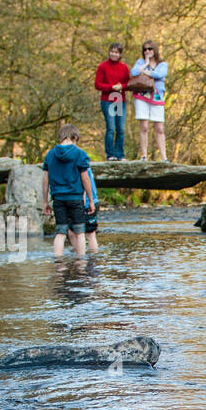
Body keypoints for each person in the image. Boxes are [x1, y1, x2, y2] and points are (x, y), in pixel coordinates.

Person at [41, 124, 95, 259]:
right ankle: (81, 262)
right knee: (80, 232)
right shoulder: (80, 154)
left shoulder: (50, 155)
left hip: (58, 198)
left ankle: (58, 262)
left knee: (60, 233)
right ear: (75, 137)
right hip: (75, 198)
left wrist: (45, 202)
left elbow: (45, 180)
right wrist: (91, 200)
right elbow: (85, 179)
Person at [131, 40, 168, 161]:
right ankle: (144, 155)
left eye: (150, 49)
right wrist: (145, 63)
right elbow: (133, 72)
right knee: (144, 126)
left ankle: (164, 157)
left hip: (157, 97)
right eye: (145, 49)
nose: (147, 51)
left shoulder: (162, 64)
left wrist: (147, 72)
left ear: (155, 50)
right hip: (142, 96)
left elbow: (159, 74)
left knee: (159, 128)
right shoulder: (140, 62)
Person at [95, 42, 130, 160]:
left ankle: (120, 154)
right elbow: (97, 84)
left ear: (120, 54)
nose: (113, 54)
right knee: (111, 127)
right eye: (112, 52)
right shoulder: (103, 66)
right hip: (108, 99)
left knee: (120, 128)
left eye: (116, 52)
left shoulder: (124, 67)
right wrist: (111, 87)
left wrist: (122, 86)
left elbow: (128, 83)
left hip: (119, 99)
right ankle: (110, 154)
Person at [83, 166, 100, 254]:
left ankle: (93, 258)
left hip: (88, 203)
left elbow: (85, 181)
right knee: (73, 233)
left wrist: (89, 201)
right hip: (89, 202)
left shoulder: (81, 164)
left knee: (90, 234)